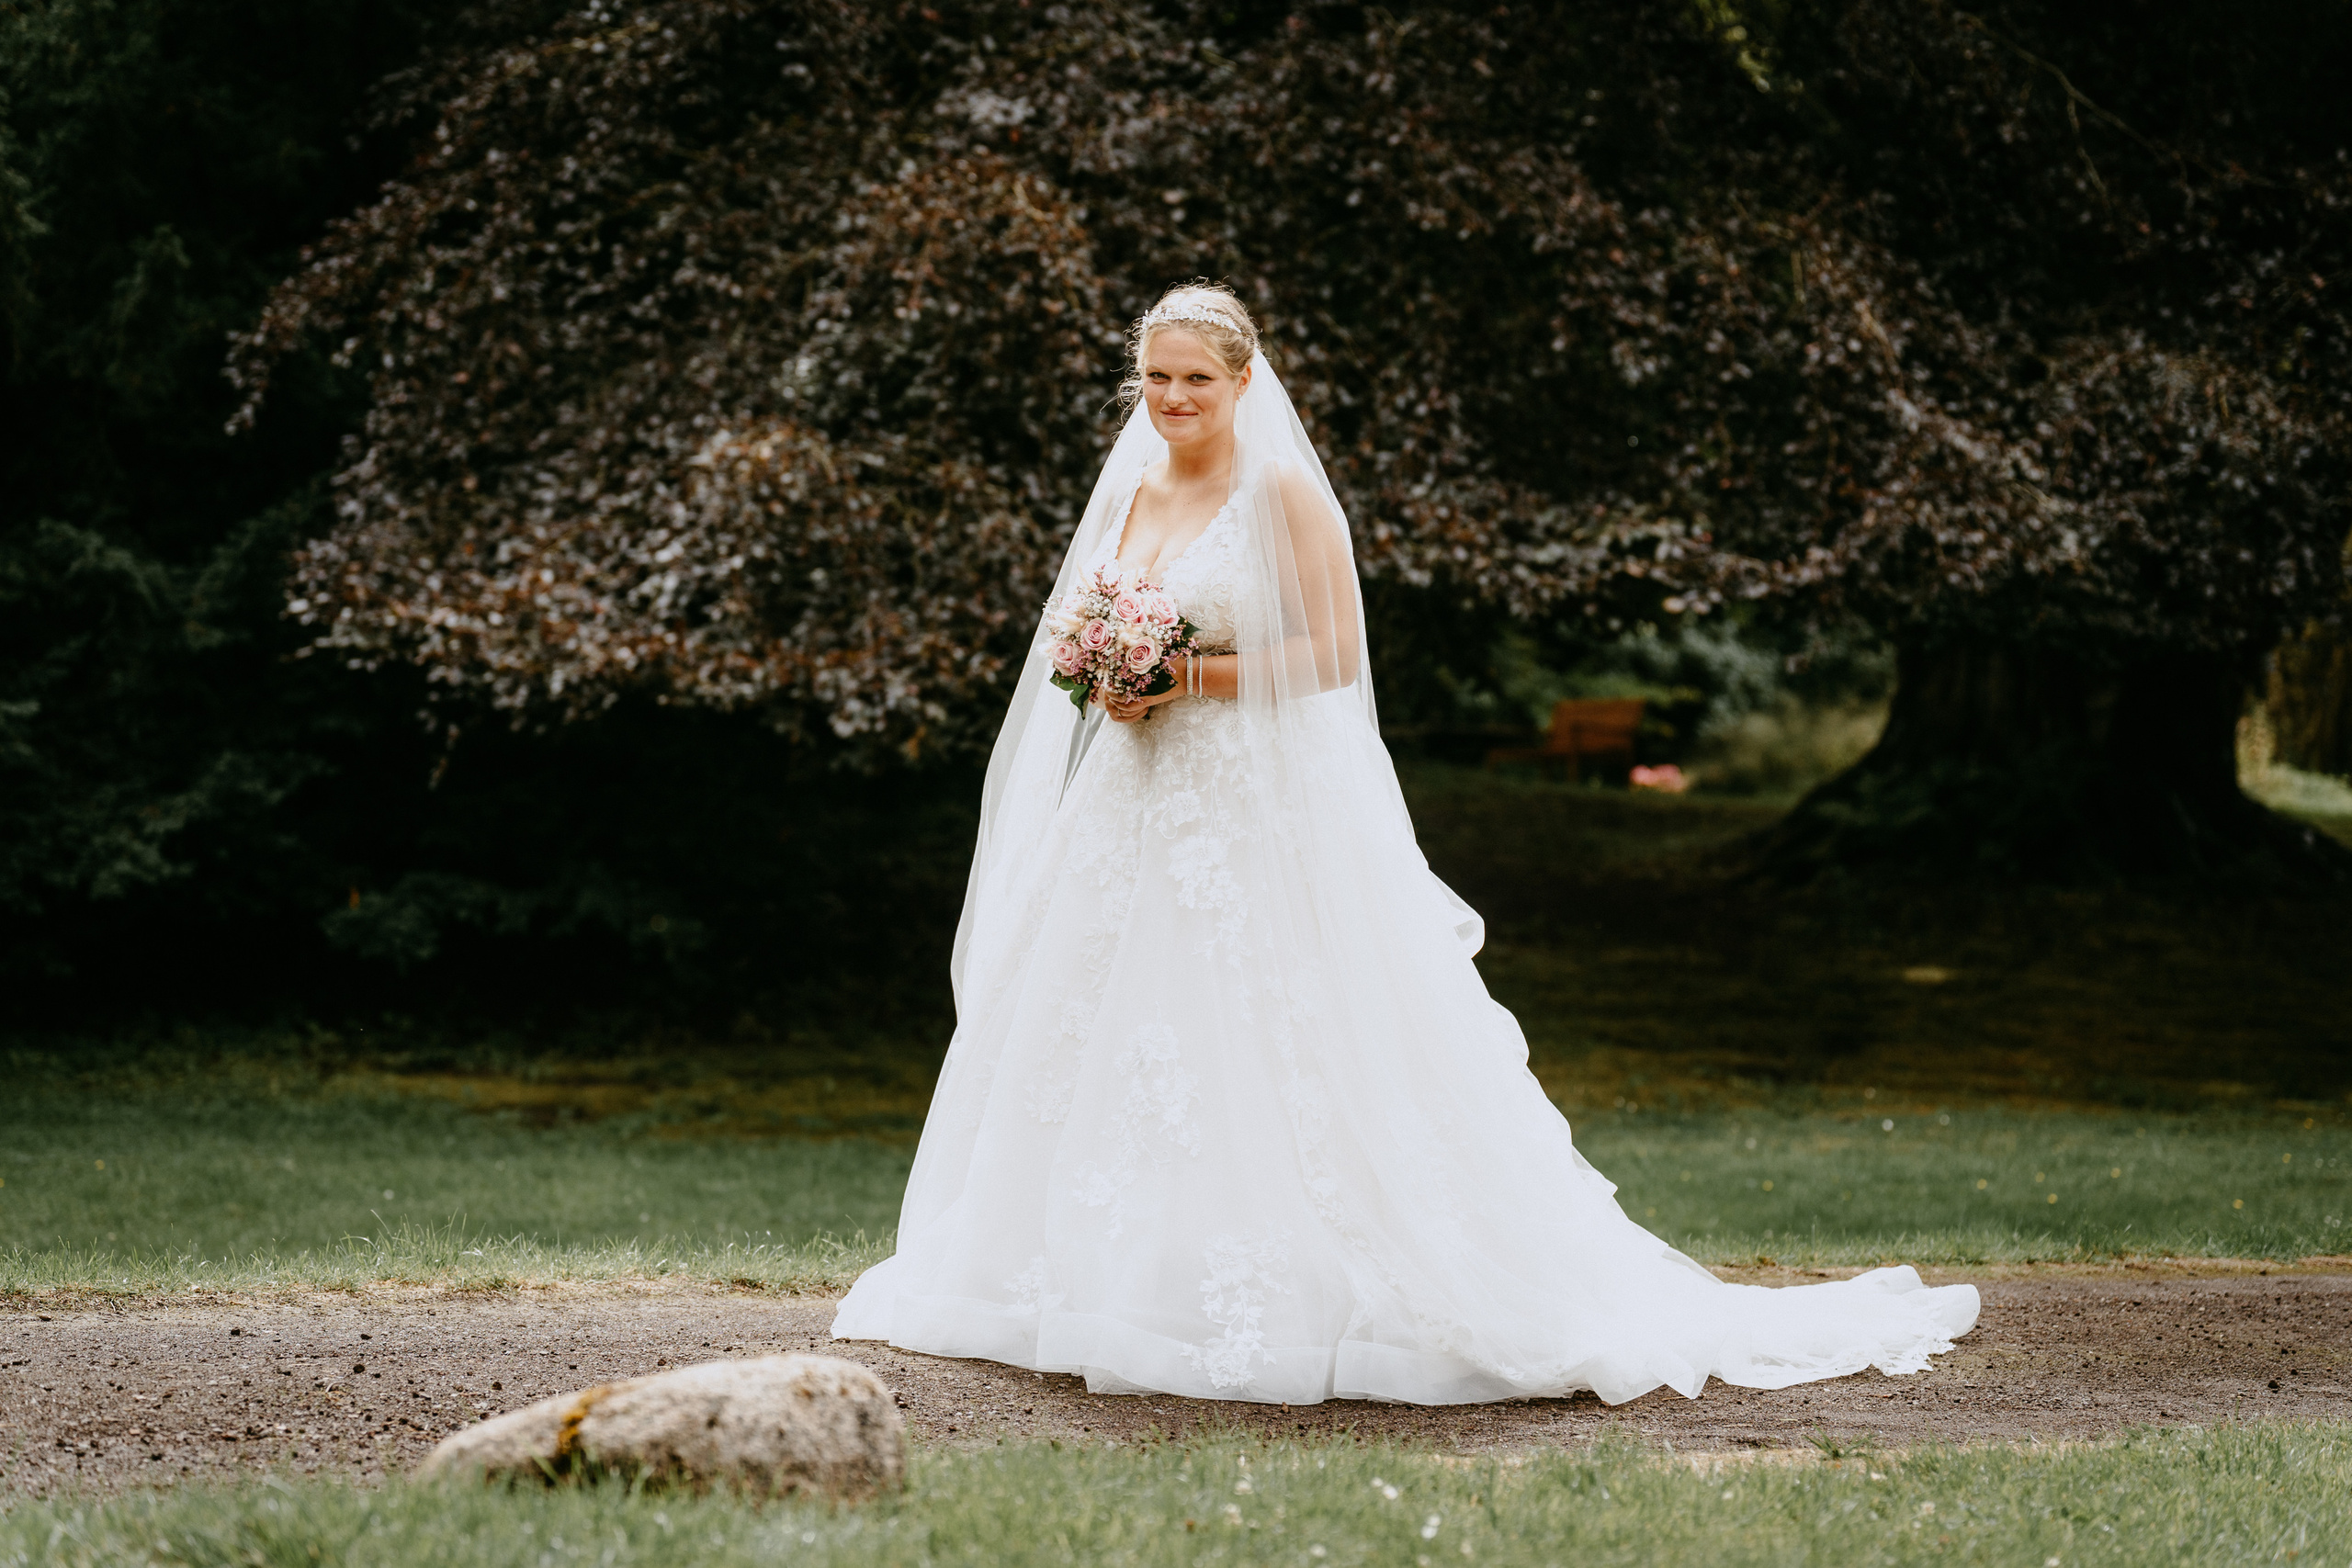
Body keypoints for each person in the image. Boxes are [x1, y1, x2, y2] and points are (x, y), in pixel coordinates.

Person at [831, 282, 1978, 1404]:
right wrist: (1115, 683)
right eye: (1157, 377)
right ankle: (1101, 1273)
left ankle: (1325, 1284)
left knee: (1274, 1025)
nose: (1174, 396)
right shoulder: (1129, 490)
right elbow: (1083, 638)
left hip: (1252, 807)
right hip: (1135, 803)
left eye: (1196, 378)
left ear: (1242, 381)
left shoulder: (1278, 491)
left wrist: (1182, 675)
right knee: (1121, 1026)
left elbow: (1331, 656)